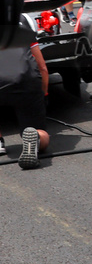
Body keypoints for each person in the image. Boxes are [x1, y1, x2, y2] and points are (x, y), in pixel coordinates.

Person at [0, 37, 50, 170]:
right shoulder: (21, 24)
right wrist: (44, 94)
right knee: (39, 130)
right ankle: (37, 138)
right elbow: (42, 67)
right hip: (27, 81)